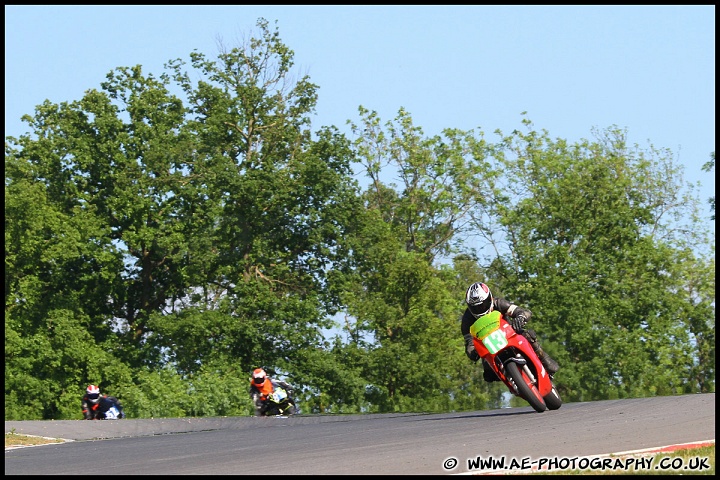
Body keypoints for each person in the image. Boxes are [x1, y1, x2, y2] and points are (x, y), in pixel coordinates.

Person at [461, 282, 560, 382]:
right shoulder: (467, 320)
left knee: (528, 335)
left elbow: (523, 311)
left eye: (483, 305)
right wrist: (473, 352)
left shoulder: (498, 303)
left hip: (510, 335)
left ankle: (545, 361)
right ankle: (513, 383)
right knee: (488, 375)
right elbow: (469, 343)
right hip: (490, 348)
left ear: (490, 298)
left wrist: (520, 317)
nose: (480, 309)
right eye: (475, 307)